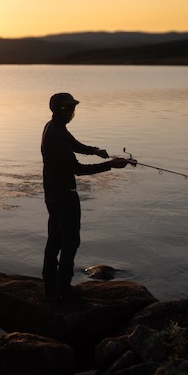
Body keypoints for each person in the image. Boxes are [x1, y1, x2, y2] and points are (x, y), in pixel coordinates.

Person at [41, 92, 128, 301]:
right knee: (70, 241)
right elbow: (77, 169)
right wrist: (109, 165)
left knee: (55, 238)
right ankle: (63, 288)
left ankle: (49, 282)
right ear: (64, 110)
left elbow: (74, 144)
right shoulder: (56, 133)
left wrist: (95, 150)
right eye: (71, 108)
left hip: (52, 194)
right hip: (64, 196)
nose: (73, 111)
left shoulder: (53, 127)